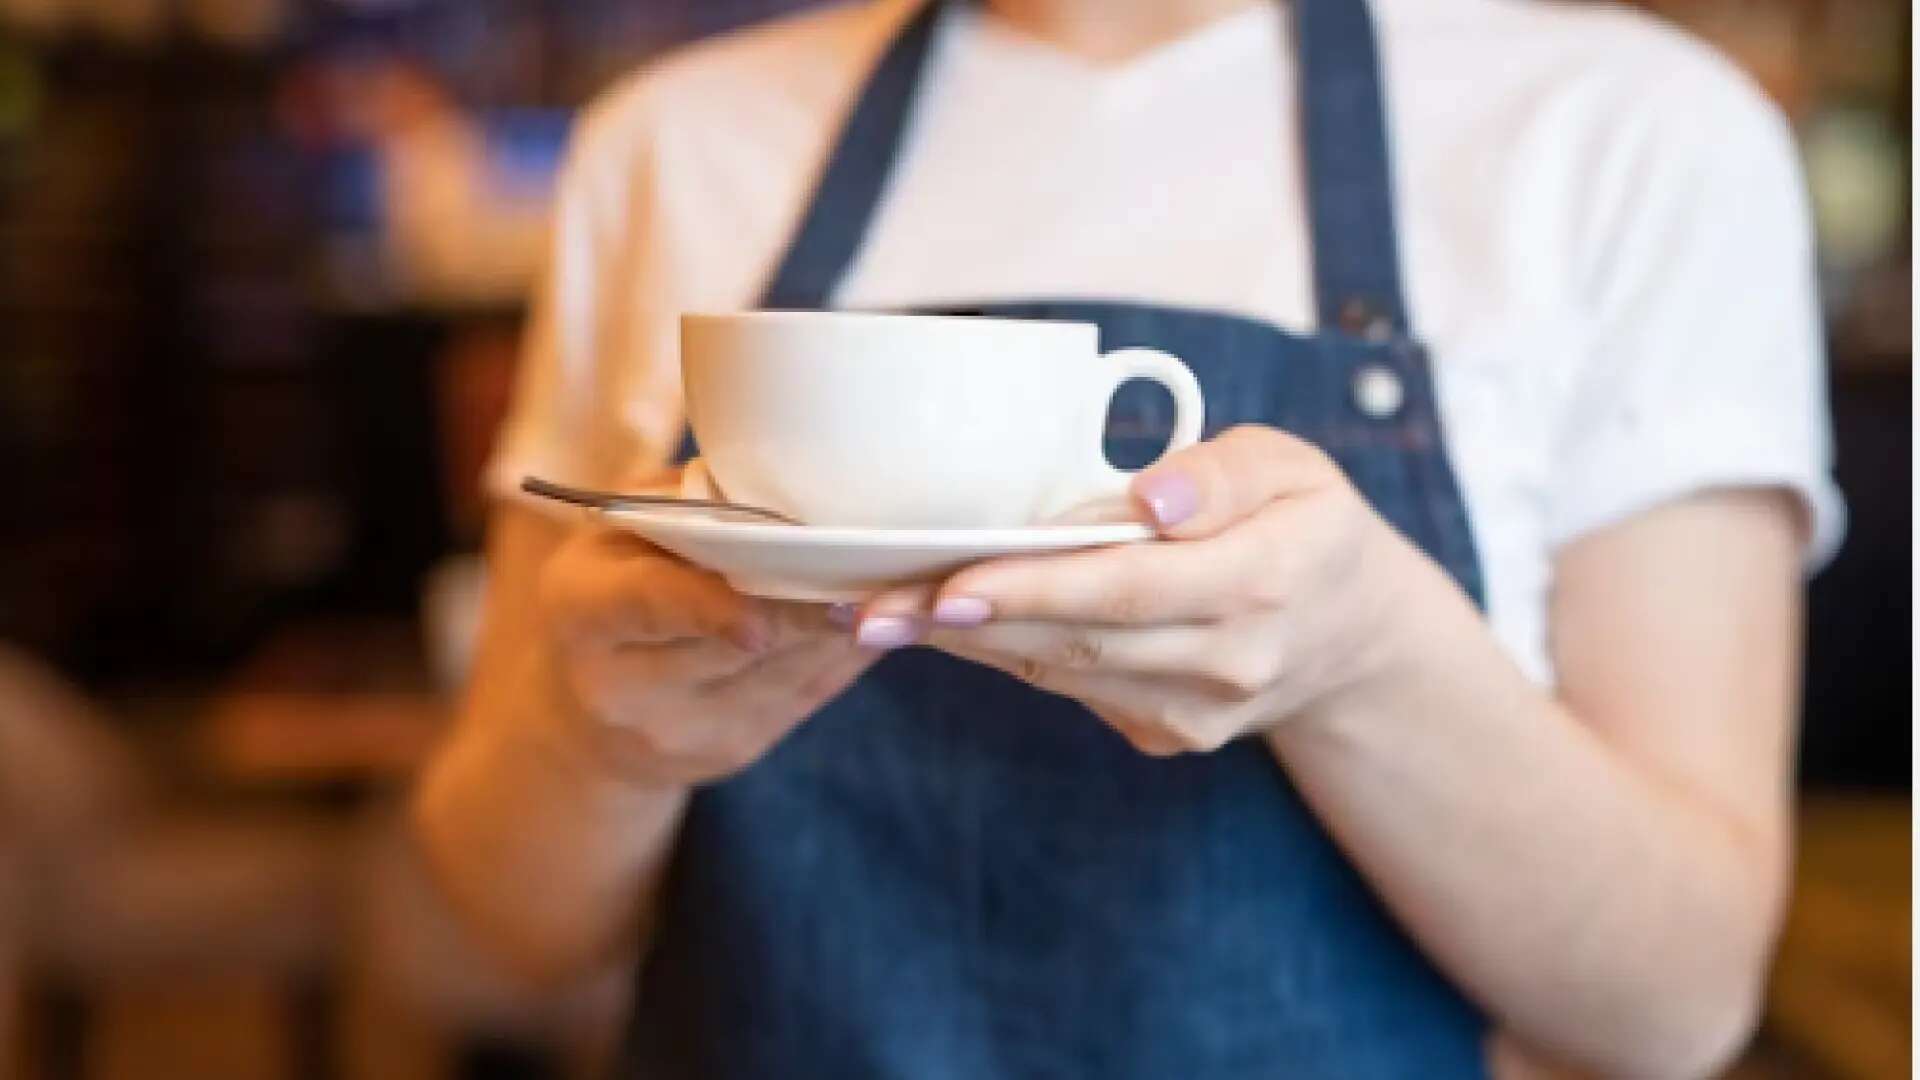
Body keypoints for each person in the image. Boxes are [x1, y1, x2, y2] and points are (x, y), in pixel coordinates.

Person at [412, 0, 1843, 1075]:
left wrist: (1366, 656)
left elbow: (1679, 1002)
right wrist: (596, 737)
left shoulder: (1630, 135)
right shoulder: (670, 146)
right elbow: (497, 936)